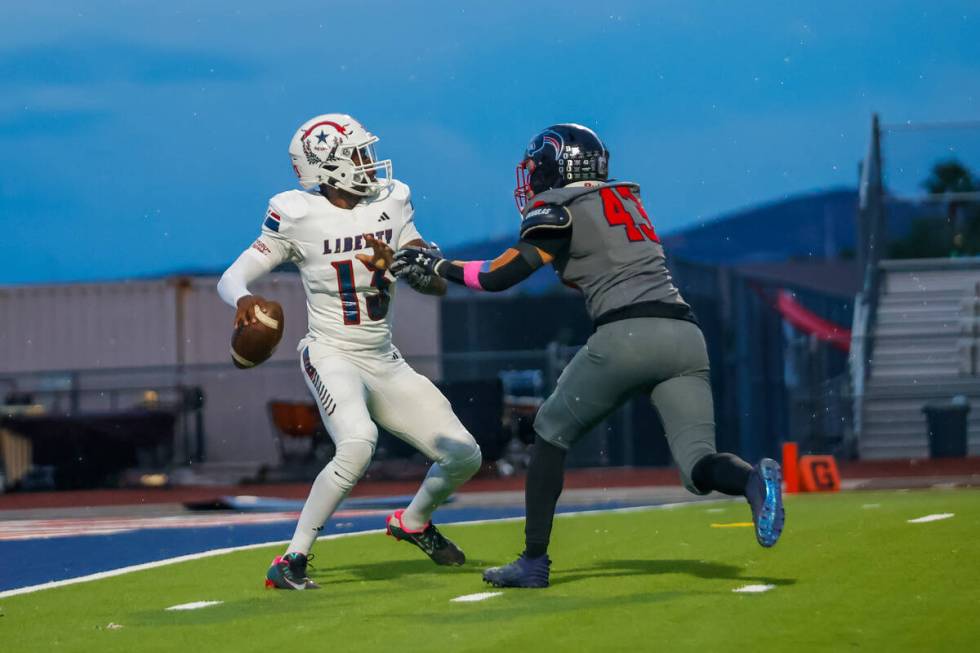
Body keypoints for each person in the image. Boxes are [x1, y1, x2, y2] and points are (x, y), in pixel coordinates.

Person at [390, 123, 784, 589]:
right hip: (684, 334)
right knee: (698, 465)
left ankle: (533, 562)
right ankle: (753, 484)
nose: (533, 179)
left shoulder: (559, 208)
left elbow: (499, 276)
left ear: (559, 167)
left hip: (627, 335)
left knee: (549, 433)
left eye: (538, 169)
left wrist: (438, 265)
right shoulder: (626, 200)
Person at [217, 114, 482, 590]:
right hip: (330, 351)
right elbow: (231, 277)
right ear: (327, 166)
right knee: (357, 444)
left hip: (382, 356)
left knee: (464, 455)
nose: (369, 163)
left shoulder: (392, 200)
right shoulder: (296, 214)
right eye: (357, 154)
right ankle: (292, 559)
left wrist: (406, 265)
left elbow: (435, 284)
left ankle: (414, 522)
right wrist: (244, 300)